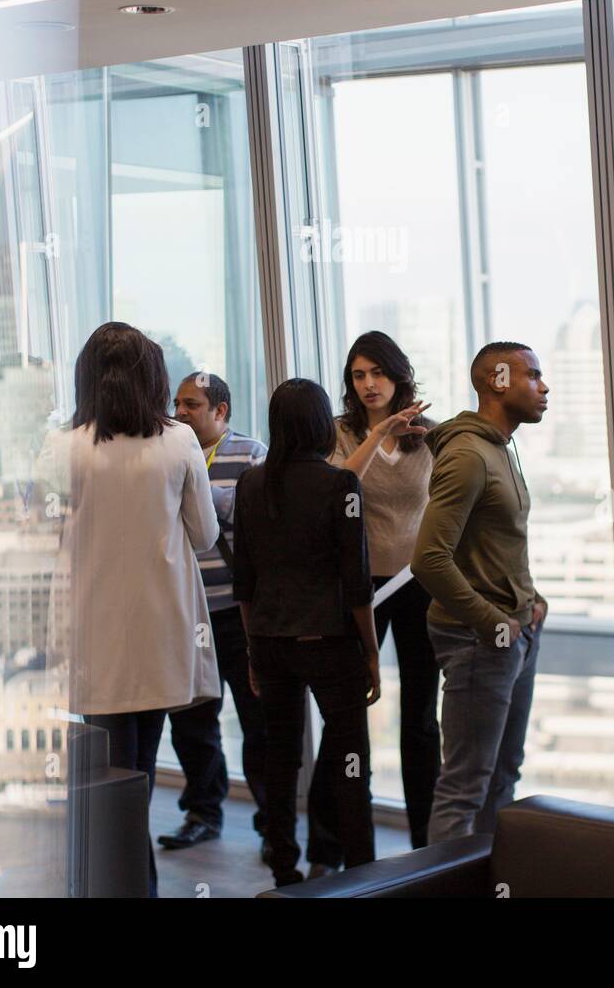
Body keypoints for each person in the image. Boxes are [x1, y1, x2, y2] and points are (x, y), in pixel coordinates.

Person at [39, 323, 219, 898]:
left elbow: (43, 537)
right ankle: (130, 883)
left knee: (110, 773)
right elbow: (205, 534)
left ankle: (118, 883)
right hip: (166, 631)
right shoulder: (180, 441)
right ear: (154, 376)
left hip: (93, 632)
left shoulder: (60, 448)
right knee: (137, 766)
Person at [233, 378, 379, 888]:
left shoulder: (251, 485)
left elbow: (244, 582)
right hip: (329, 642)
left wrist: (253, 651)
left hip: (270, 642)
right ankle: (362, 868)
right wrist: (372, 654)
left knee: (280, 755)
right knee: (350, 758)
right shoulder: (340, 486)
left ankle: (282, 867)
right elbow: (357, 584)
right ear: (321, 424)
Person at [306, 332, 439, 875]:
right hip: (360, 586)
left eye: (377, 373)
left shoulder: (428, 433)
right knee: (346, 714)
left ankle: (428, 843)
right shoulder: (341, 433)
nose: (368, 384)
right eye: (358, 375)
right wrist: (380, 431)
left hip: (419, 581)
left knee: (420, 719)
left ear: (397, 374)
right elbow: (340, 486)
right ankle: (326, 847)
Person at [412, 340, 549, 842]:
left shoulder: (498, 446)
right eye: (532, 375)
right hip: (478, 641)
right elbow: (428, 558)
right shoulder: (470, 455)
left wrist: (530, 600)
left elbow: (497, 543)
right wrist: (493, 622)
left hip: (513, 636)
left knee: (501, 778)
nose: (544, 386)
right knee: (465, 788)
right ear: (497, 381)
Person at [158, 372, 269, 857]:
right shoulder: (164, 452)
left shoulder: (252, 453)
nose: (180, 412)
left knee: (257, 721)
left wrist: (215, 500)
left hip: (239, 614)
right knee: (191, 722)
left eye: (192, 404)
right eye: (177, 403)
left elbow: (266, 518)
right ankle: (202, 813)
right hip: (185, 613)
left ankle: (273, 825)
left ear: (221, 411)